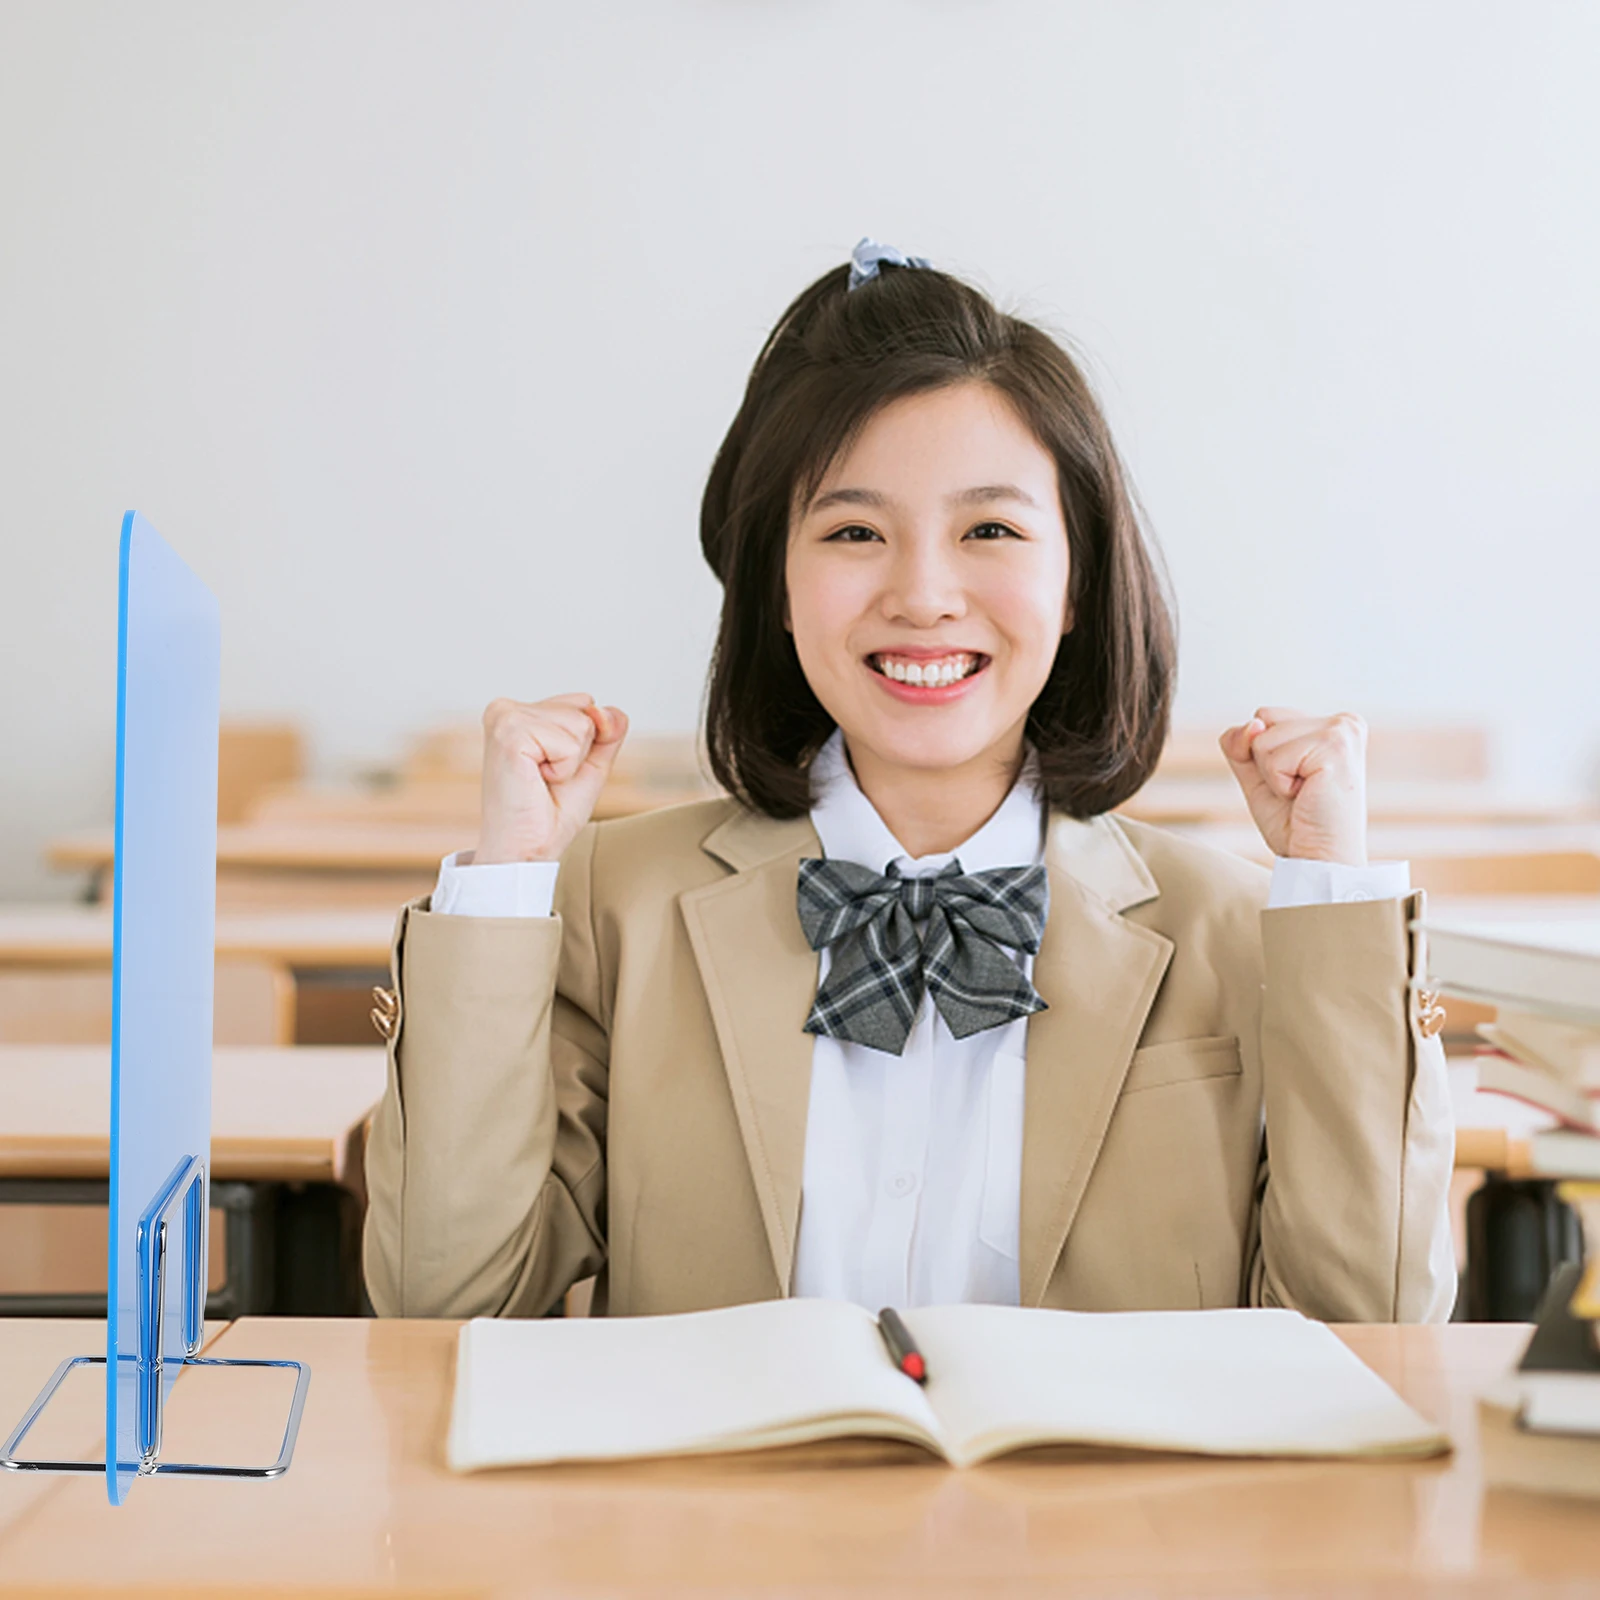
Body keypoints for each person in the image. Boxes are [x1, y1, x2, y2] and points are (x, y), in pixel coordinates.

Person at [363, 240, 1455, 1324]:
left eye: (989, 528)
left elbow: (1367, 1328)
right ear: (776, 589)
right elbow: (447, 1298)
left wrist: (1328, 891)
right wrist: (505, 883)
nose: (924, 594)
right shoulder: (615, 902)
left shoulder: (1235, 926)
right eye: (852, 530)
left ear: (1075, 579)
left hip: (1110, 1504)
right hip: (716, 1501)